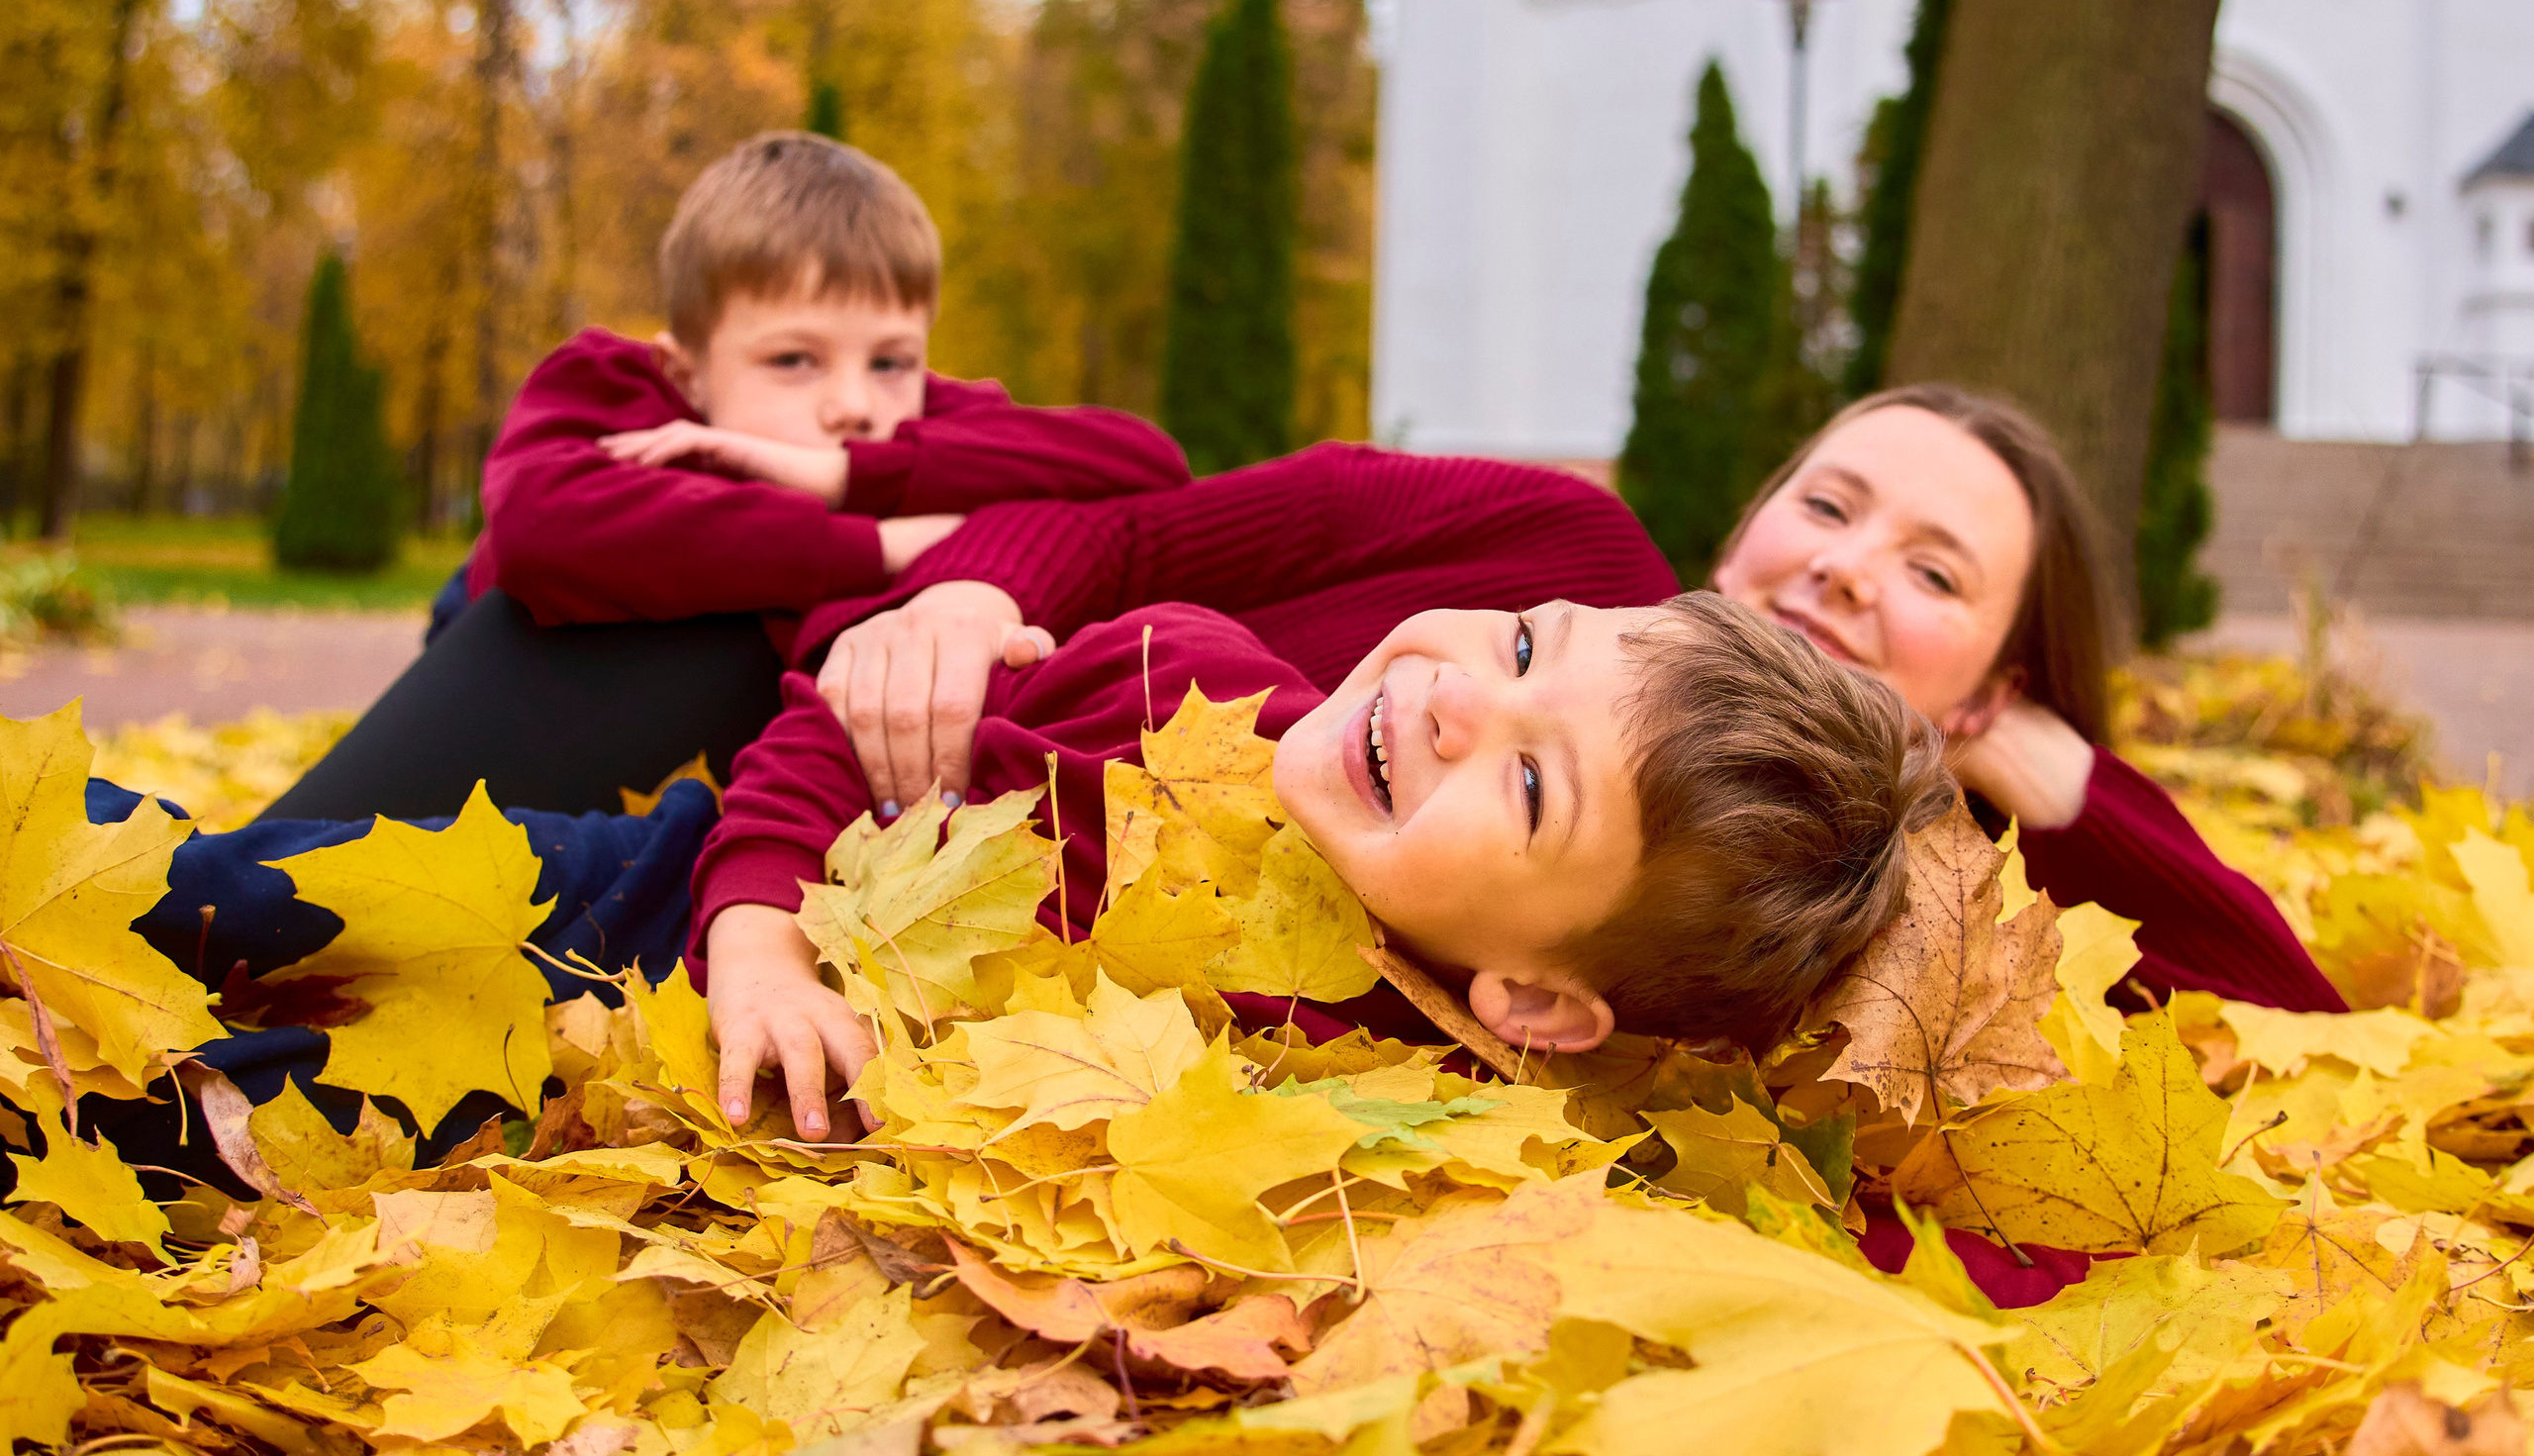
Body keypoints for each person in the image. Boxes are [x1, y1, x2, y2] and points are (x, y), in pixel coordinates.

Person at [695, 444, 1954, 1141]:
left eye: (1526, 784)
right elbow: (823, 746)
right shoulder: (1179, 683)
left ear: (1530, 998)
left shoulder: (1414, 1106)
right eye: (1520, 645)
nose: (1462, 699)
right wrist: (757, 943)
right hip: (678, 905)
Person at [262, 132, 1185, 824]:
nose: (854, 403)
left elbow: (1145, 464)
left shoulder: (898, 429)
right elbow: (549, 528)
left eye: (891, 360)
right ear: (688, 371)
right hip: (518, 680)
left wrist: (837, 475)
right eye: (794, 361)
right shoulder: (617, 390)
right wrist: (882, 540)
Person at [1706, 384, 2344, 1016]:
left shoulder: (1967, 948)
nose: (1846, 567)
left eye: (1933, 574)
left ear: (1987, 696)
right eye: (1825, 507)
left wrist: (2068, 795)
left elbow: (2303, 1035)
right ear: (1737, 544)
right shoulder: (1605, 632)